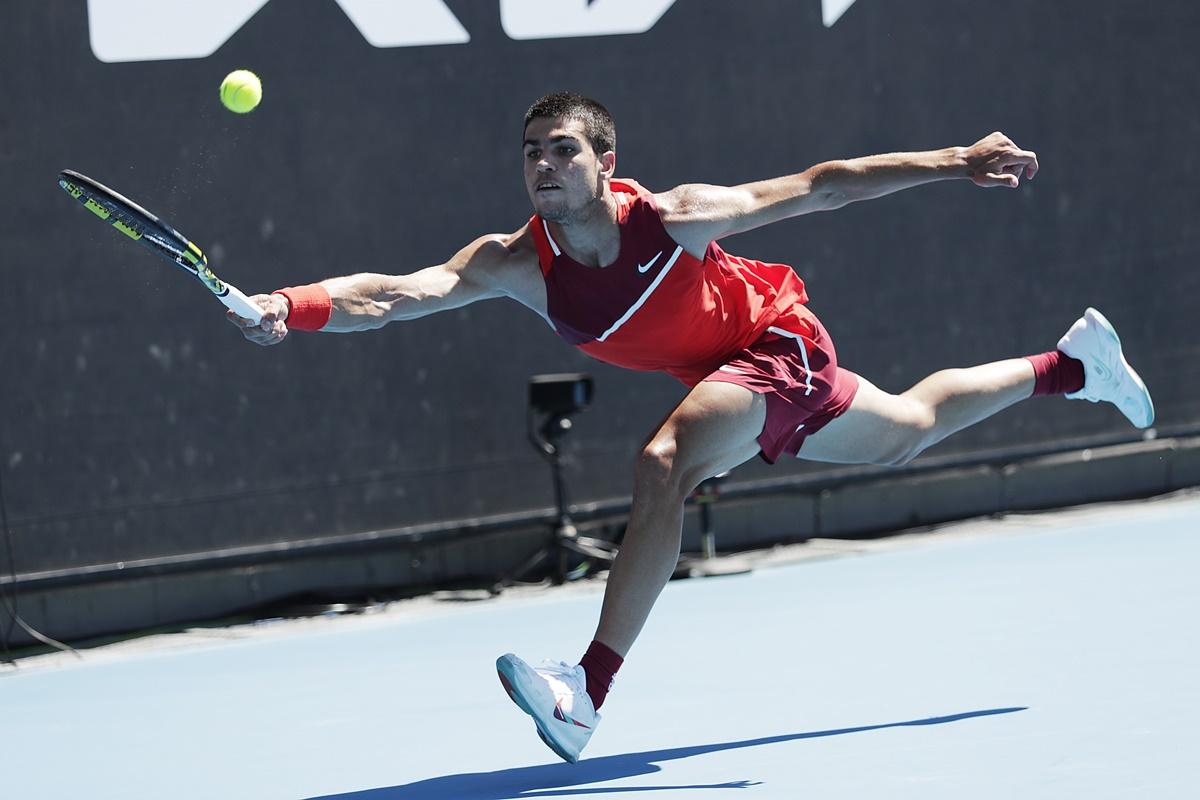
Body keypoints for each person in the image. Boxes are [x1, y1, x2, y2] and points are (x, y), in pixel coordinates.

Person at [227, 92, 1154, 763]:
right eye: (531, 154)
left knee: (665, 460)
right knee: (908, 427)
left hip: (775, 343)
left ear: (606, 165)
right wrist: (290, 303)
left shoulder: (675, 218)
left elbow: (822, 186)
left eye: (562, 151)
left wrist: (956, 160)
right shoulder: (517, 261)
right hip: (730, 375)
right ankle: (1073, 367)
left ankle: (586, 691)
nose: (542, 166)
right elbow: (396, 296)